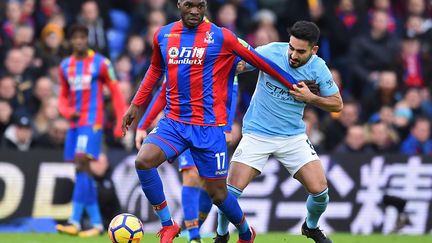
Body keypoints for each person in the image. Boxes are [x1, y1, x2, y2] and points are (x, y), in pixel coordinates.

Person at [121, 1, 304, 242]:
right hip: (174, 122)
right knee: (144, 161)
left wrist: (292, 84)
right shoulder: (163, 35)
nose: (195, 11)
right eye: (189, 5)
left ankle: (246, 232)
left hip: (208, 128)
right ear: (179, 4)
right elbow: (156, 70)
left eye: (200, 5)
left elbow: (259, 61)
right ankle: (169, 224)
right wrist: (136, 104)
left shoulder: (221, 37)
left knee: (217, 193)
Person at [215, 21, 343, 243]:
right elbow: (243, 66)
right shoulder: (270, 51)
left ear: (314, 50)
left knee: (321, 192)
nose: (293, 54)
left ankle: (311, 228)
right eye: (291, 48)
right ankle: (222, 234)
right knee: (230, 193)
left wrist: (310, 98)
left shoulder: (319, 68)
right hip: (257, 133)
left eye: (300, 51)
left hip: (293, 137)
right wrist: (234, 65)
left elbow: (337, 104)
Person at [135, 75, 239, 243]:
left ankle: (233, 231)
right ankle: (193, 236)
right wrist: (143, 124)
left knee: (210, 187)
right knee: (190, 175)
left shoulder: (219, 51)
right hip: (181, 126)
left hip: (210, 128)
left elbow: (232, 89)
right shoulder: (176, 53)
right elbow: (163, 91)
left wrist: (227, 127)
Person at [56, 24, 127, 237]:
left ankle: (75, 221)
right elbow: (62, 96)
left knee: (81, 163)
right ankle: (96, 224)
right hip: (74, 125)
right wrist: (67, 111)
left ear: (86, 39)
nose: (78, 41)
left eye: (82, 37)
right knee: (81, 172)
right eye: (74, 37)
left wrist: (120, 121)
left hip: (92, 122)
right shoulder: (65, 66)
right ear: (70, 41)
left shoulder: (101, 63)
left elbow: (115, 92)